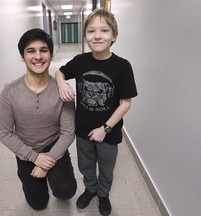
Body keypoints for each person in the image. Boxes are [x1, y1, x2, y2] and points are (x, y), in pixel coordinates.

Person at [55, 8, 138, 216]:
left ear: (114, 36)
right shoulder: (81, 61)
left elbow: (125, 103)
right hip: (82, 129)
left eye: (104, 30)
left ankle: (103, 194)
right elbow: (59, 72)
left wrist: (105, 128)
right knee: (86, 164)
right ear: (85, 36)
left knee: (107, 167)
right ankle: (90, 189)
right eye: (91, 31)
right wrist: (61, 84)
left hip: (109, 132)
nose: (97, 36)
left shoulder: (122, 66)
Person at [0, 28, 77, 210]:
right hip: (26, 149)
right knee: (38, 204)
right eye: (31, 51)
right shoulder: (9, 92)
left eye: (44, 50)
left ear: (51, 54)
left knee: (66, 192)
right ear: (22, 56)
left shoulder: (62, 91)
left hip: (54, 145)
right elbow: (5, 133)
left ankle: (57, 178)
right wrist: (34, 158)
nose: (38, 56)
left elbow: (67, 133)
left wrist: (47, 162)